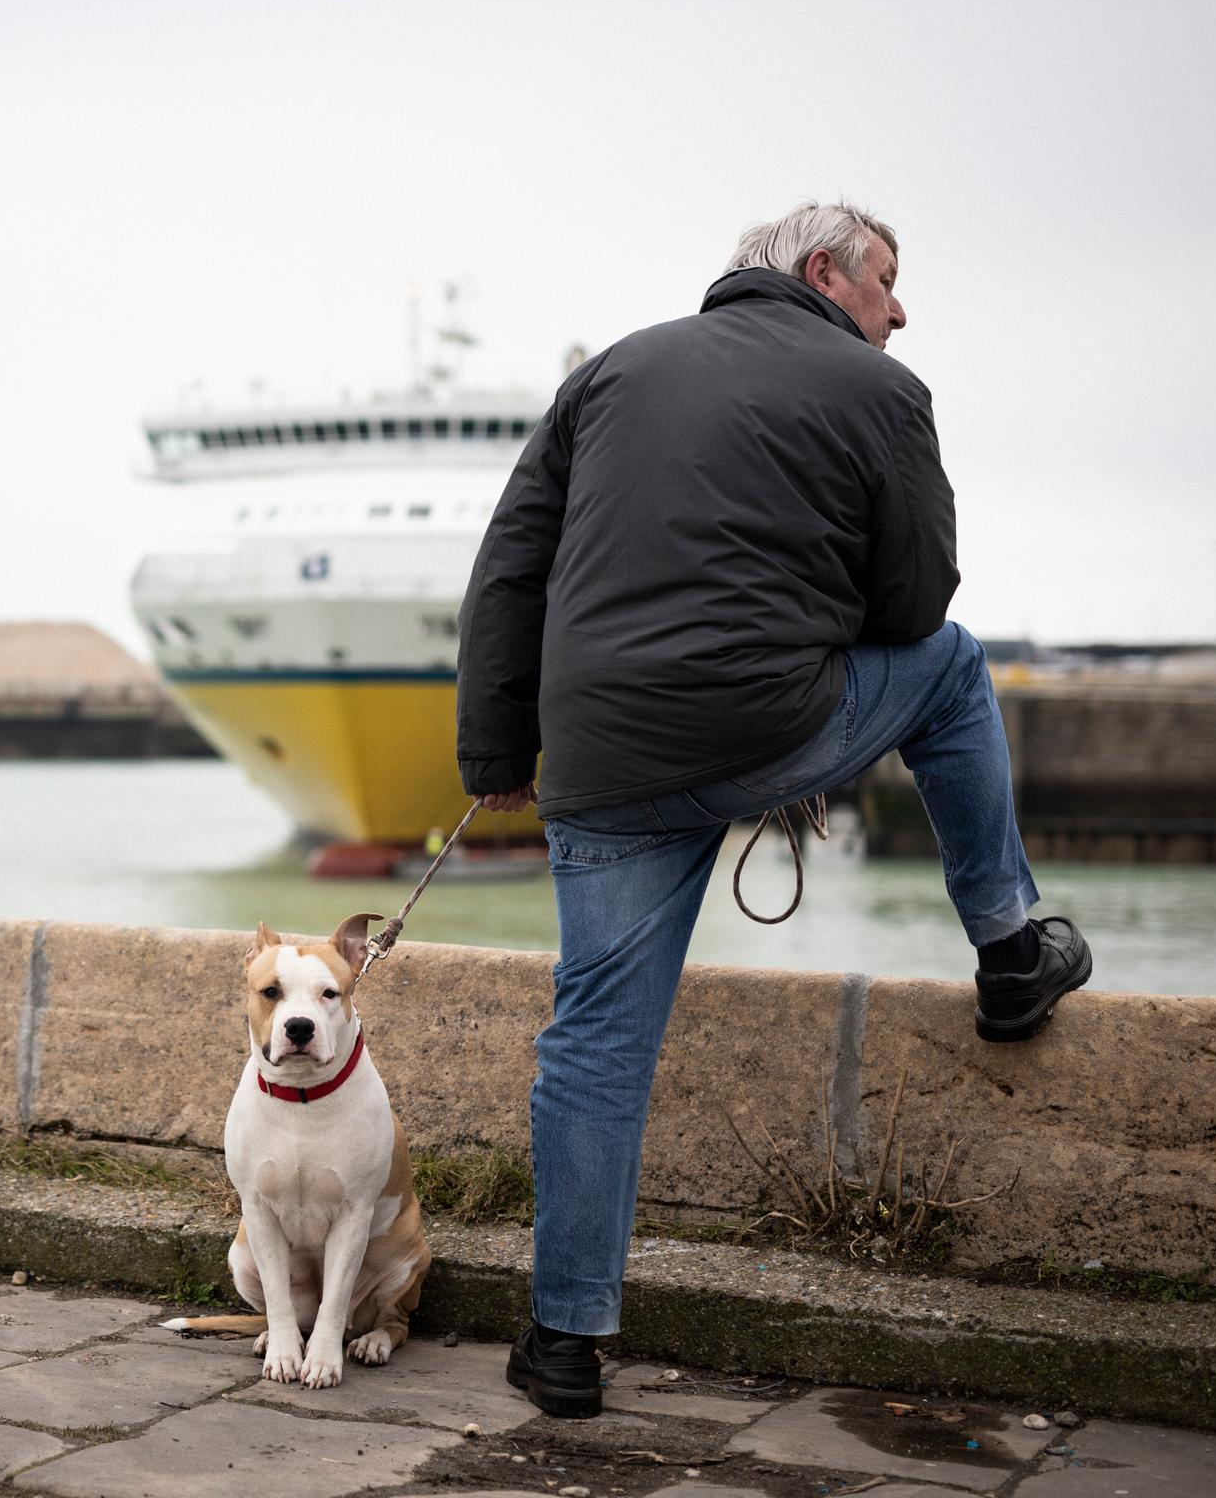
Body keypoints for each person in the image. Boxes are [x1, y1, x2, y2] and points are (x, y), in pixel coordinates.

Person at [454, 201, 1091, 1419]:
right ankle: (1012, 949)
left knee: (595, 1046)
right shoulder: (878, 390)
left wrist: (497, 754)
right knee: (955, 665)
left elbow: (512, 567)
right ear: (823, 274)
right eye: (888, 283)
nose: (900, 311)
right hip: (765, 729)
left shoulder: (612, 370)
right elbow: (913, 601)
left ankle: (563, 1346)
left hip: (601, 764)